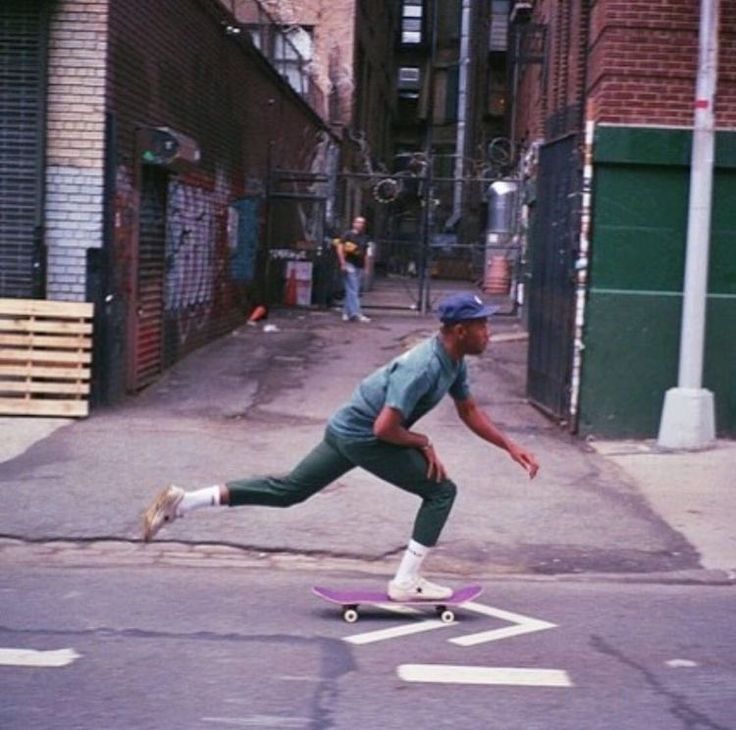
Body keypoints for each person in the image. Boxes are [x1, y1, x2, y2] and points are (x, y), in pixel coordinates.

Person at [142, 292, 540, 601]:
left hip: (345, 429)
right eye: (482, 325)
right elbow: (386, 429)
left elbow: (468, 409)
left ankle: (182, 502)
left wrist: (509, 446)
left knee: (289, 491)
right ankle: (406, 581)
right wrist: (422, 441)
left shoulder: (454, 360)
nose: (489, 333)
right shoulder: (423, 367)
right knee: (441, 491)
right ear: (459, 331)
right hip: (364, 437)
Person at [336, 215, 371, 323]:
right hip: (349, 264)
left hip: (359, 265)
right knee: (353, 288)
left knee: (351, 289)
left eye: (362, 223)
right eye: (358, 222)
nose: (360, 224)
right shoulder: (347, 235)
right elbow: (340, 247)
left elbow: (366, 254)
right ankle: (356, 313)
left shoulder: (365, 237)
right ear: (353, 223)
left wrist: (366, 267)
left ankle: (346, 312)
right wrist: (342, 262)